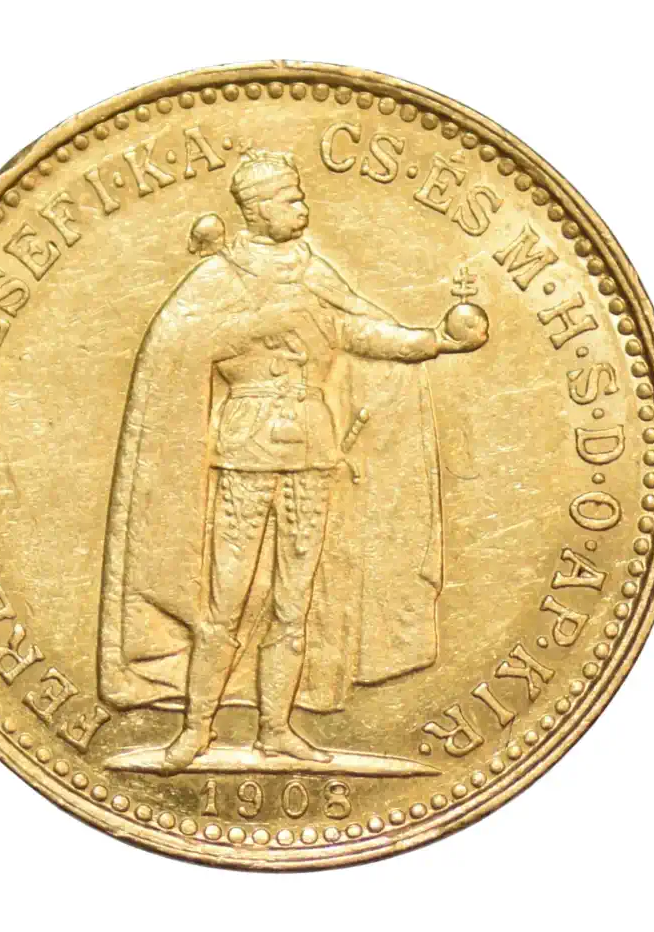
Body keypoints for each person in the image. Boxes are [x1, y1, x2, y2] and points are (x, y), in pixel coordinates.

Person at [97, 149, 487, 774]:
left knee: (294, 601)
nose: (301, 207)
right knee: (225, 599)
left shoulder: (314, 270)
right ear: (256, 211)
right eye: (289, 199)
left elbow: (358, 329)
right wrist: (262, 323)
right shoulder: (218, 276)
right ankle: (194, 733)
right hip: (245, 451)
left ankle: (276, 730)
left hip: (312, 449)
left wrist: (433, 341)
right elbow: (179, 347)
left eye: (300, 195)